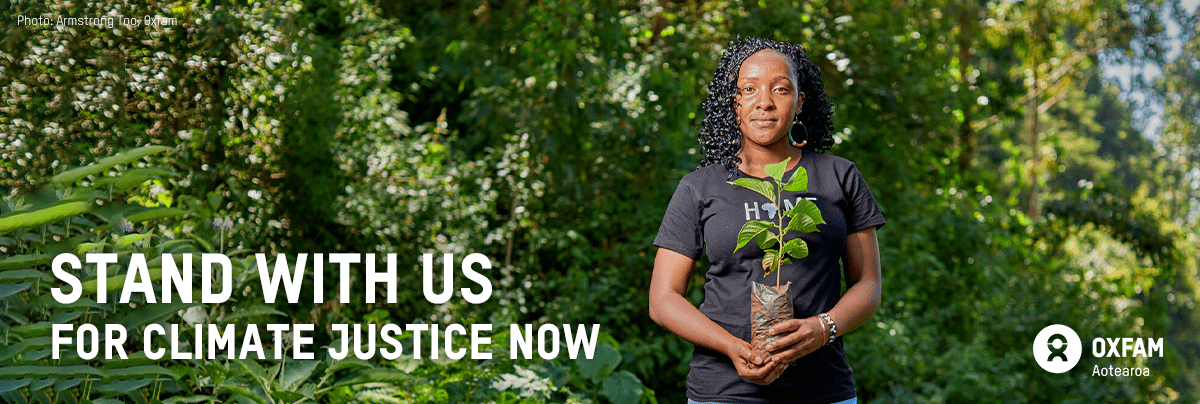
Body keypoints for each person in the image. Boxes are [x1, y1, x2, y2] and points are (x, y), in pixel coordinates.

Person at [649, 36, 885, 404]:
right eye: (749, 88)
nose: (765, 101)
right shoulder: (700, 186)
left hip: (822, 391)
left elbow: (868, 283)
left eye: (781, 89)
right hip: (723, 393)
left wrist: (823, 328)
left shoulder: (839, 176)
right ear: (735, 102)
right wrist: (729, 346)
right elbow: (663, 299)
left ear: (800, 102)